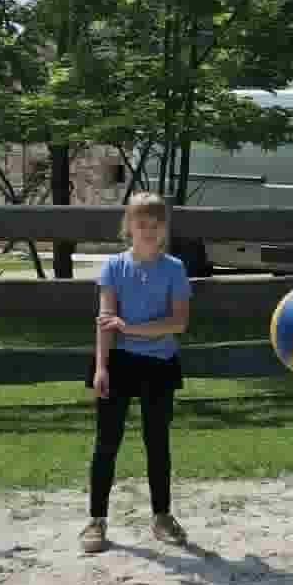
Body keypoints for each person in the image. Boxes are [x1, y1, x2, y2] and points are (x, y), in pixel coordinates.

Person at [81, 192, 193, 554]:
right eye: (141, 223)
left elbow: (178, 323)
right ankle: (96, 520)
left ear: (164, 229)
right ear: (128, 226)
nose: (148, 230)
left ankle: (162, 516)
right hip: (119, 363)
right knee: (106, 442)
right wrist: (101, 367)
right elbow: (105, 321)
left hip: (160, 364)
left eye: (155, 224)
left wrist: (130, 328)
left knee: (157, 442)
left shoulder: (174, 268)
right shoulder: (114, 267)